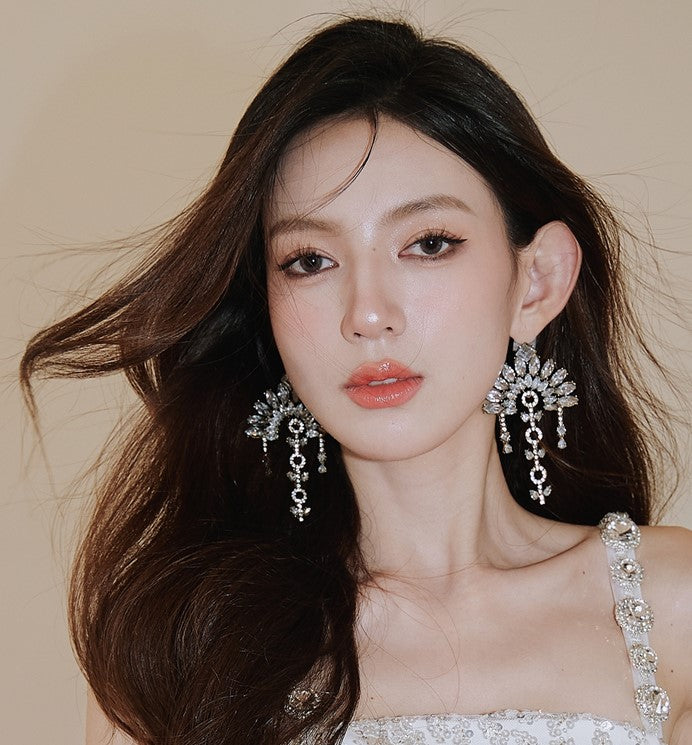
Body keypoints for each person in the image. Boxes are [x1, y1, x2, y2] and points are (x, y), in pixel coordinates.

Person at [20, 15, 691, 745]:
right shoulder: (179, 648)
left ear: (537, 282)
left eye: (428, 244)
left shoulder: (671, 606)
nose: (368, 315)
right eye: (310, 261)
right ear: (268, 308)